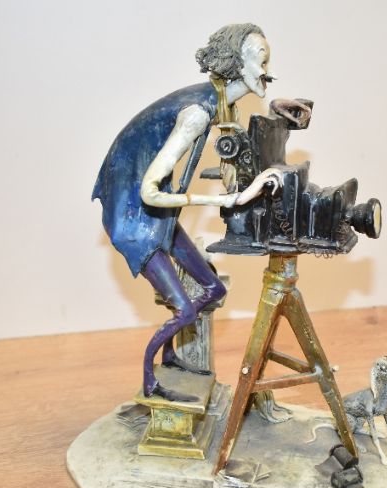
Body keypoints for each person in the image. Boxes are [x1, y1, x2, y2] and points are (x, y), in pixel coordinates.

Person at [92, 23, 281, 401]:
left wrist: (278, 112)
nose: (267, 71)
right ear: (237, 64)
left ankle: (171, 355)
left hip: (159, 218)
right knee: (186, 312)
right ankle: (150, 380)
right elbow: (149, 192)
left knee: (214, 289)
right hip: (135, 219)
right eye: (262, 61)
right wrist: (227, 200)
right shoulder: (197, 113)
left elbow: (233, 149)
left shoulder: (220, 102)